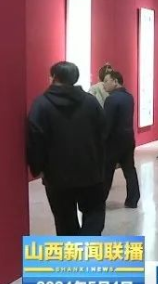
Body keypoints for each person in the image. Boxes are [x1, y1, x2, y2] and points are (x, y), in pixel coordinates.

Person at [26, 62, 107, 236]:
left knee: (64, 221)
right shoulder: (90, 102)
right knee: (94, 214)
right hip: (90, 171)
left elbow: (36, 139)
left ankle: (73, 250)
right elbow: (103, 133)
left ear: (54, 78)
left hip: (56, 176)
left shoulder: (41, 104)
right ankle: (87, 245)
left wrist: (37, 167)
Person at [102, 70, 140, 208]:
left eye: (106, 81)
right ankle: (133, 199)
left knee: (106, 172)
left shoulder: (111, 99)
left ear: (115, 81)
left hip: (113, 142)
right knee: (129, 169)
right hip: (128, 139)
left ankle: (99, 200)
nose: (104, 84)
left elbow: (107, 123)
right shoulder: (129, 97)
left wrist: (101, 140)